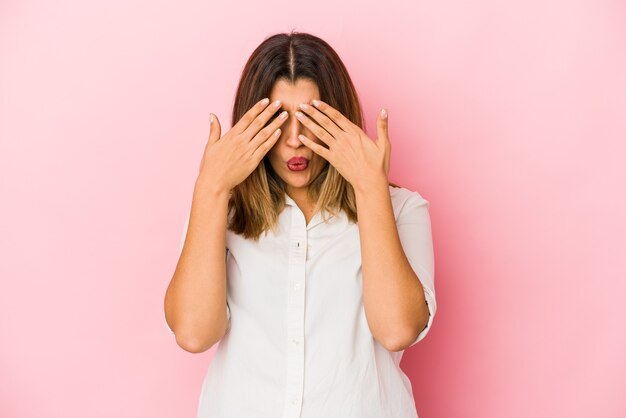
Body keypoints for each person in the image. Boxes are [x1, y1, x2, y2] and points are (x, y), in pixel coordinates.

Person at [163, 31, 437, 418]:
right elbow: (193, 333)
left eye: (311, 119)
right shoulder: (222, 210)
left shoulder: (402, 209)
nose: (295, 140)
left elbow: (396, 329)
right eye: (278, 120)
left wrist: (369, 186)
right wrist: (211, 186)